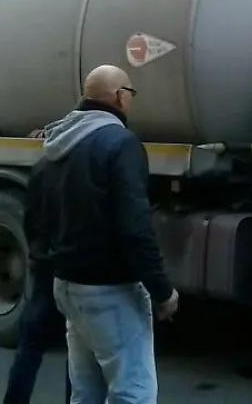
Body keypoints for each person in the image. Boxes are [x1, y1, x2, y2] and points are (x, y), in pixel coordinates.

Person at [30, 65, 179, 403]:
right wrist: (162, 291)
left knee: (86, 392)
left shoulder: (58, 145)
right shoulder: (120, 144)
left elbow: (38, 218)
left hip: (68, 286)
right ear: (119, 97)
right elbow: (135, 228)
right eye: (131, 93)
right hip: (109, 289)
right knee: (133, 391)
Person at [2, 180, 70, 404]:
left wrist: (37, 252)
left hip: (44, 267)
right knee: (80, 352)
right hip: (71, 269)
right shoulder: (86, 164)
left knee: (30, 346)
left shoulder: (44, 167)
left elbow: (30, 221)